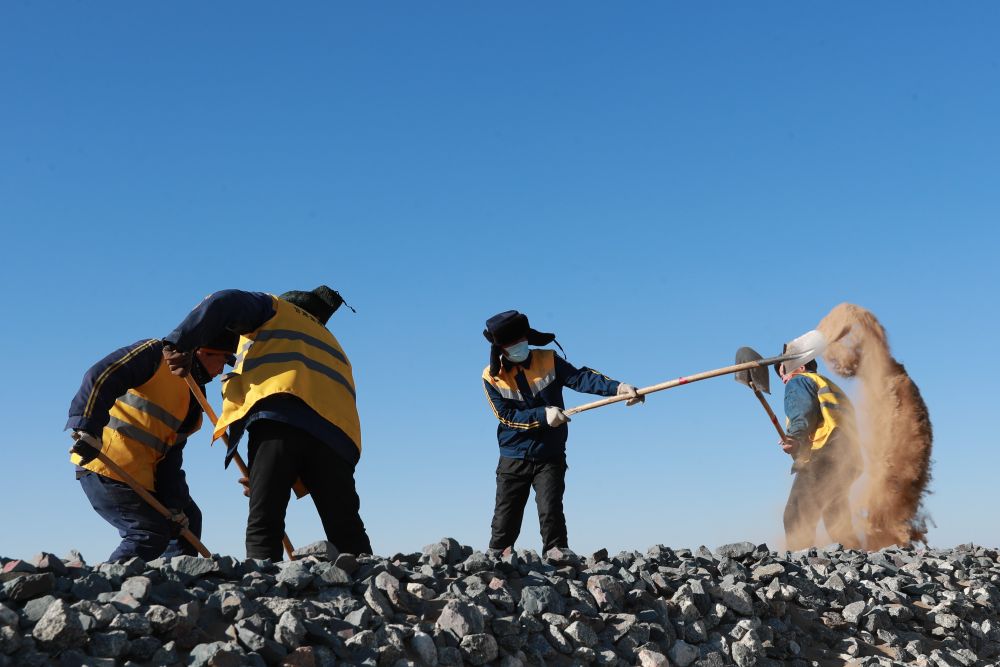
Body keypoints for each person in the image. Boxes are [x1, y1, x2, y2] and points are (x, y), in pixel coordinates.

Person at [161, 287, 372, 560]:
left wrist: (178, 342)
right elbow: (313, 435)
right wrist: (270, 476)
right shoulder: (331, 343)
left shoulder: (275, 310)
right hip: (338, 439)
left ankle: (262, 581)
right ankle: (371, 579)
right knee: (347, 529)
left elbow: (223, 300)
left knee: (265, 523)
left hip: (280, 417)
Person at [481, 310, 643, 554]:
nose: (518, 346)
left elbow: (580, 378)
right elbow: (506, 416)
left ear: (527, 337)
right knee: (506, 512)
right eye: (511, 343)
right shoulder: (491, 377)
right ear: (500, 348)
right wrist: (543, 415)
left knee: (551, 507)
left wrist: (618, 388)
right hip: (513, 456)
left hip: (550, 452)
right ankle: (498, 556)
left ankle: (557, 553)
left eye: (521, 340)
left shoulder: (548, 359)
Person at [67, 333, 237, 562]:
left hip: (142, 477)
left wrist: (174, 505)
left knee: (188, 520)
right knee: (147, 533)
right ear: (203, 352)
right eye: (223, 359)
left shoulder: (194, 398)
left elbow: (170, 457)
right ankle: (108, 582)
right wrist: (87, 428)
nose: (221, 370)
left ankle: (178, 580)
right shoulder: (157, 355)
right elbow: (102, 375)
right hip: (105, 463)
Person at [777, 346, 863, 550]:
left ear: (801, 366)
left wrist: (795, 437)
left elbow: (802, 412)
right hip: (848, 457)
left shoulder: (799, 381)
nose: (784, 380)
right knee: (835, 512)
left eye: (784, 373)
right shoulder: (828, 386)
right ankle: (854, 556)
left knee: (797, 513)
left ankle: (800, 565)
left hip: (825, 454)